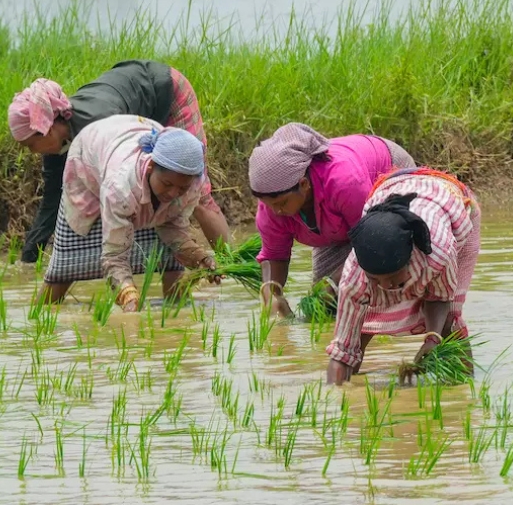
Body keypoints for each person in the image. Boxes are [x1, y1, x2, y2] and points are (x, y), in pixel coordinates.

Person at [8, 60, 231, 262]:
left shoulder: (100, 123)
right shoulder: (57, 144)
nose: (31, 152)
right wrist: (29, 258)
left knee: (195, 190)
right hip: (134, 105)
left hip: (166, 93)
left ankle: (233, 267)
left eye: (30, 145)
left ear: (47, 128)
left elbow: (129, 180)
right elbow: (51, 200)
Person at [38, 115, 218, 310]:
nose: (174, 193)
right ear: (150, 168)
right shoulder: (120, 188)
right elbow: (114, 256)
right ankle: (38, 314)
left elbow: (174, 228)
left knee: (171, 261)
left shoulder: (192, 185)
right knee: (65, 267)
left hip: (135, 132)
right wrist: (128, 295)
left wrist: (200, 258)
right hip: (90, 156)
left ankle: (176, 310)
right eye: (167, 184)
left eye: (181, 188)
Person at [325, 167, 480, 385]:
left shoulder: (437, 253)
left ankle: (465, 386)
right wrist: (333, 396)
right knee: (360, 327)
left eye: (393, 277)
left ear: (409, 260)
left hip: (451, 201)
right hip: (390, 190)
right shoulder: (354, 278)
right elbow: (342, 349)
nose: (386, 287)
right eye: (375, 279)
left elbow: (440, 297)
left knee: (450, 320)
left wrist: (433, 337)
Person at [248, 123, 415, 318]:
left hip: (387, 182)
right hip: (334, 226)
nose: (276, 210)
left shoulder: (345, 183)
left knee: (384, 281)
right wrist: (272, 293)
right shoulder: (272, 207)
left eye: (282, 203)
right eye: (269, 205)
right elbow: (274, 255)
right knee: (324, 309)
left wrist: (334, 283)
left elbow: (373, 241)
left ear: (303, 185)